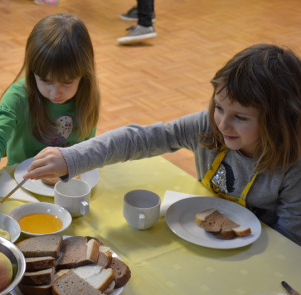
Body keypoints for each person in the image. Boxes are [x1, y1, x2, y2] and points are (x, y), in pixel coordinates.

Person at [24, 44, 301, 246]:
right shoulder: (207, 126)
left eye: (240, 117)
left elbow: (290, 239)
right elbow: (140, 138)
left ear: (278, 120)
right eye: (219, 107)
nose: (223, 125)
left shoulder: (294, 166)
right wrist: (73, 157)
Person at [0, 13, 100, 191]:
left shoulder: (86, 98)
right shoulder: (18, 97)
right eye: (45, 80)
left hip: (68, 188)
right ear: (32, 73)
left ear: (84, 75)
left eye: (67, 82)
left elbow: (86, 150)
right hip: (20, 186)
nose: (55, 93)